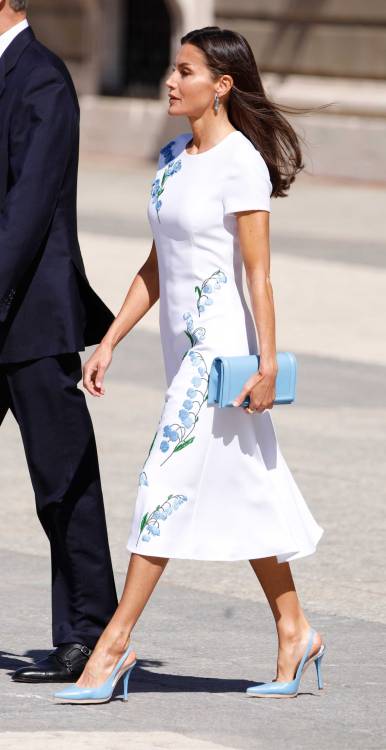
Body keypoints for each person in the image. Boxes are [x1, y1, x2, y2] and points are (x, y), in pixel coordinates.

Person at [55, 26, 325, 704]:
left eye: (186, 71)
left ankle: (114, 643)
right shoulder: (174, 156)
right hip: (183, 357)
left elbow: (259, 277)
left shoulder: (243, 164)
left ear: (222, 84)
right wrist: (112, 337)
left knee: (161, 481)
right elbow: (158, 263)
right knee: (246, 494)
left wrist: (266, 365)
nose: (172, 81)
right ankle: (296, 630)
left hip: (221, 358)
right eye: (173, 69)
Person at [0, 0, 118, 683]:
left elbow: (26, 212)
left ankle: (89, 632)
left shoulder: (40, 78)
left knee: (63, 483)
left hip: (35, 322)